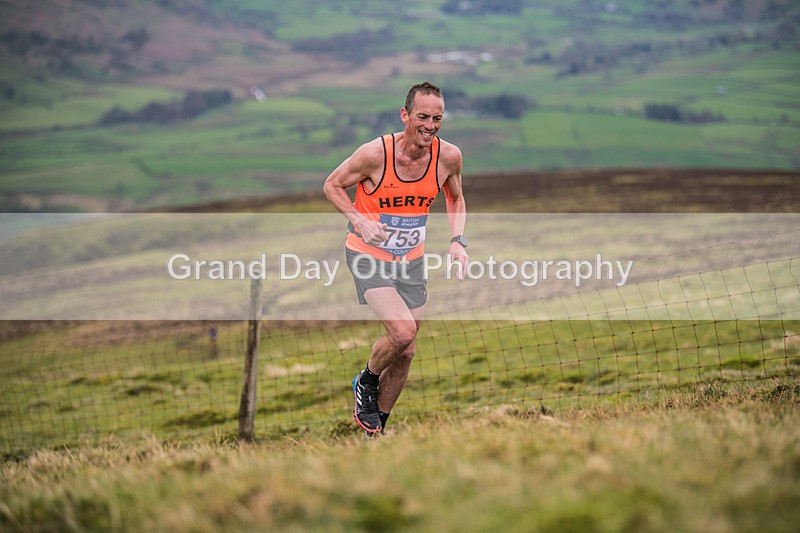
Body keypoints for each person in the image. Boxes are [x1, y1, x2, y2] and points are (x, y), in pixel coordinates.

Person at [323, 81, 468, 435]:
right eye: (422, 117)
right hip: (368, 255)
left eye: (437, 118)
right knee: (402, 332)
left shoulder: (448, 157)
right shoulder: (375, 155)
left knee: (406, 351)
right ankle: (366, 381)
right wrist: (358, 220)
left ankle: (377, 431)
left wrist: (457, 240)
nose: (430, 126)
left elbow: (455, 197)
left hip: (411, 260)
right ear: (405, 115)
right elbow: (331, 185)